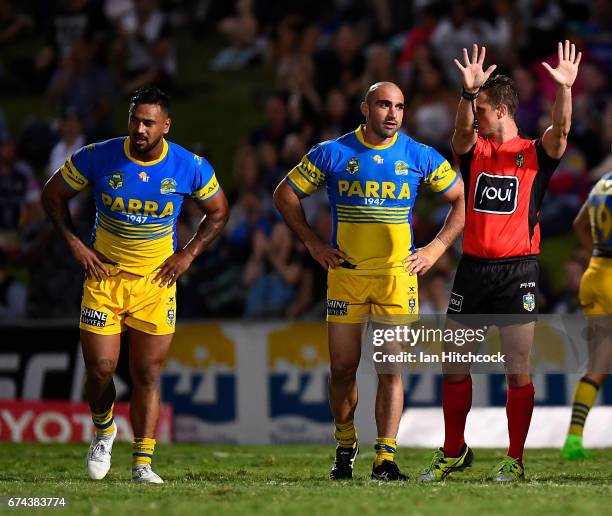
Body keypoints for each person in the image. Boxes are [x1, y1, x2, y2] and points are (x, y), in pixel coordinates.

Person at [273, 81, 465, 481]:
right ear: (365, 108)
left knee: (390, 369)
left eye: (398, 106)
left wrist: (435, 249)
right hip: (347, 276)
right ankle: (345, 444)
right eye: (383, 105)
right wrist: (312, 243)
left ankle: (385, 458)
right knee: (343, 369)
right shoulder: (333, 152)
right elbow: (285, 194)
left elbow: (461, 198)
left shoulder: (418, 155)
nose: (392, 113)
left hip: (397, 277)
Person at [41, 86, 229, 483]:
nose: (139, 128)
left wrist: (188, 254)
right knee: (101, 370)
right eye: (134, 119)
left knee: (146, 374)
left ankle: (142, 463)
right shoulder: (99, 156)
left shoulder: (189, 166)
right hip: (104, 279)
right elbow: (52, 195)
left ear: (166, 125)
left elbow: (218, 212)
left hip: (156, 283)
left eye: (148, 122)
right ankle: (104, 429)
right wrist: (76, 244)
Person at [418, 41, 581, 483]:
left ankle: (515, 459)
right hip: (472, 268)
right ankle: (454, 451)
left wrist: (563, 88)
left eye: (483, 109)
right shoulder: (476, 151)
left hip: (518, 272)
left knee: (516, 369)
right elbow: (459, 134)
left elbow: (561, 132)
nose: (477, 116)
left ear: (503, 112)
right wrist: (468, 94)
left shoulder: (534, 153)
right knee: (454, 364)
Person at [560, 172, 612, 460]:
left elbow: (579, 223)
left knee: (599, 364)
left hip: (595, 273)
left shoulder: (603, 182)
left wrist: (594, 251)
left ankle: (574, 440)